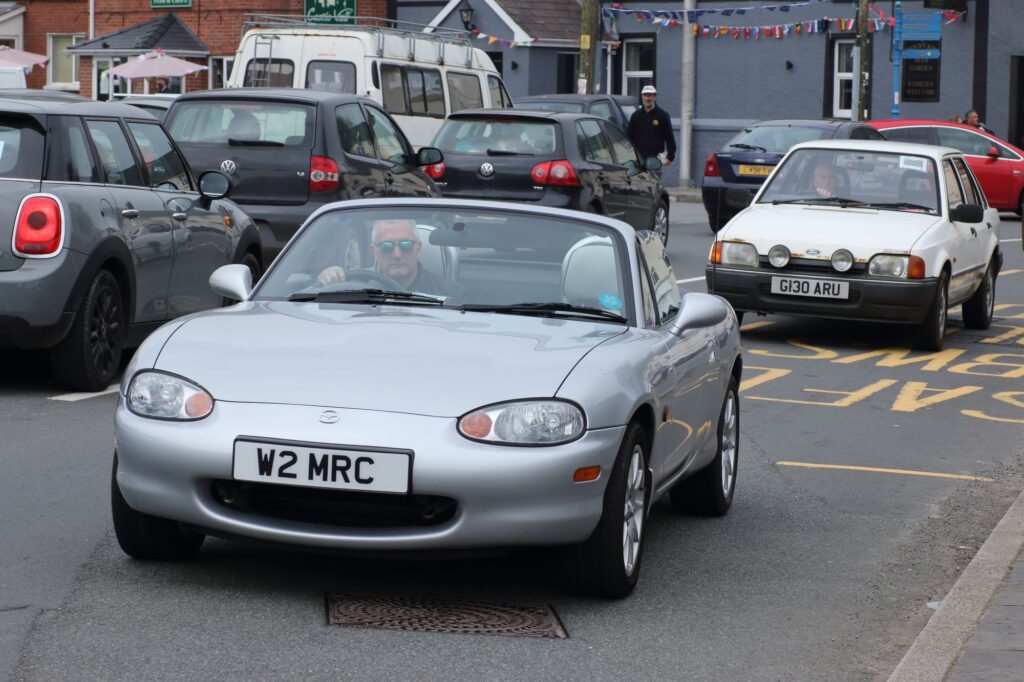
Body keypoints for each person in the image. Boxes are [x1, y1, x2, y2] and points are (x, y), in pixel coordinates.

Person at [316, 218, 459, 297]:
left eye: (406, 245)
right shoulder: (352, 287)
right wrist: (326, 281)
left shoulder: (451, 294)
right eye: (387, 247)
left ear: (418, 248)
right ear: (374, 251)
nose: (397, 255)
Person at [627, 85, 676, 169]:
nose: (647, 98)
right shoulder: (635, 116)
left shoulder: (663, 115)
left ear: (654, 97)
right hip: (638, 158)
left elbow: (669, 137)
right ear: (642, 97)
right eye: (645, 95)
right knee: (638, 181)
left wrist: (670, 156)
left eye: (650, 95)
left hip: (655, 159)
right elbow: (629, 137)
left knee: (653, 181)